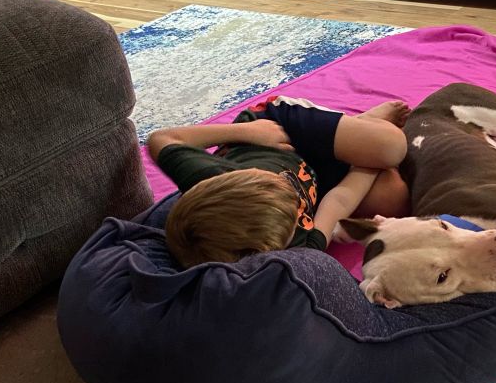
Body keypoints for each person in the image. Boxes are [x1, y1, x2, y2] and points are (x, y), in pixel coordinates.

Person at [146, 96, 411, 269]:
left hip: (279, 131)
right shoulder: (300, 250)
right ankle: (355, 138)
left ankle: (360, 123)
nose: (283, 182)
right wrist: (369, 165)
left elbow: (161, 138)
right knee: (396, 199)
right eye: (294, 206)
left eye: (269, 179)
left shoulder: (208, 177)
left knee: (393, 146)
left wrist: (247, 132)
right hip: (318, 180)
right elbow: (339, 200)